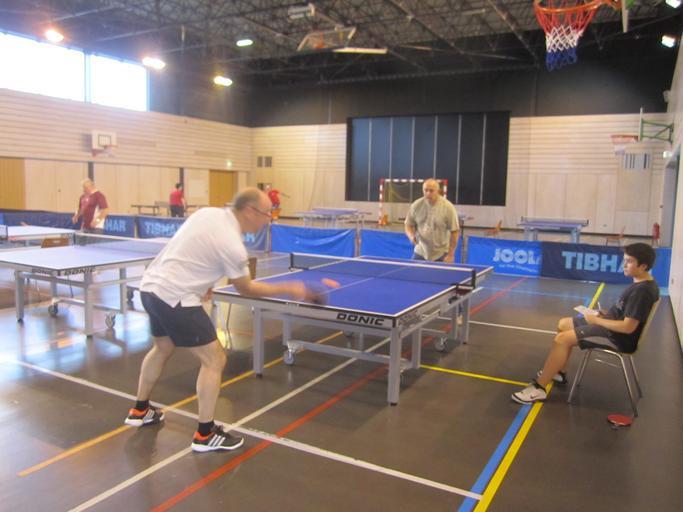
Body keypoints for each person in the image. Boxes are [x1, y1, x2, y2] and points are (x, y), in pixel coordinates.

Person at [124, 188, 321, 452]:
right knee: (214, 360)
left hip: (150, 289)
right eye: (267, 213)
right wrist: (291, 288)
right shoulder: (233, 244)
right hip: (176, 297)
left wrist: (204, 282)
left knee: (162, 347)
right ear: (249, 211)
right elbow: (246, 288)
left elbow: (191, 249)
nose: (269, 220)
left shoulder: (207, 213)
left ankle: (140, 410)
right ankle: (205, 434)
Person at [512, 243, 660, 404]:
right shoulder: (642, 283)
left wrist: (597, 320)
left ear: (643, 266)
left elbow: (628, 327)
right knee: (563, 324)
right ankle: (559, 372)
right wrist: (605, 314)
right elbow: (627, 313)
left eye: (629, 261)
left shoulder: (642, 291)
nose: (623, 265)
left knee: (562, 339)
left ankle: (539, 388)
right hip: (611, 327)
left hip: (618, 338)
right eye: (624, 260)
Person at [404, 178, 460, 263]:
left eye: (431, 191)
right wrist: (411, 236)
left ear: (438, 191)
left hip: (441, 253)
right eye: (425, 190)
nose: (428, 193)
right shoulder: (416, 205)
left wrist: (451, 255)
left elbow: (455, 231)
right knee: (411, 271)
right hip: (420, 251)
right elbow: (408, 224)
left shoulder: (448, 207)